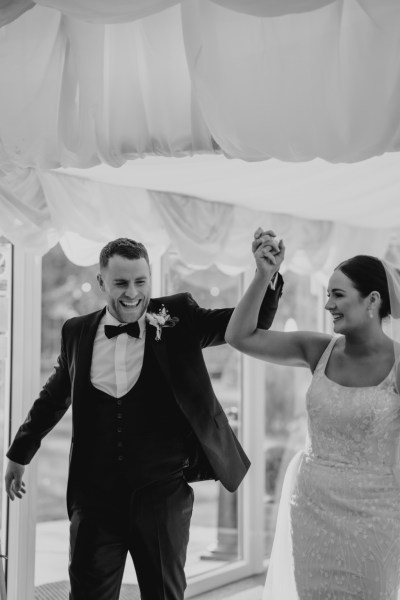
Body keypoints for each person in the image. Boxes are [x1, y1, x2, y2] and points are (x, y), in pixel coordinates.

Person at [4, 237, 283, 600]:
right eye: (121, 283)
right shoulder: (77, 332)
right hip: (95, 500)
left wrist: (266, 277)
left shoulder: (178, 316)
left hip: (162, 495)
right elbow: (54, 398)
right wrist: (18, 454)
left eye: (141, 281)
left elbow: (248, 323)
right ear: (102, 282)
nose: (133, 293)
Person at [225, 229, 400, 600]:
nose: (328, 305)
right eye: (327, 295)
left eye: (338, 295)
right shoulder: (317, 349)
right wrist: (263, 275)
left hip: (377, 514)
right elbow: (239, 336)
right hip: (312, 507)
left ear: (372, 300)